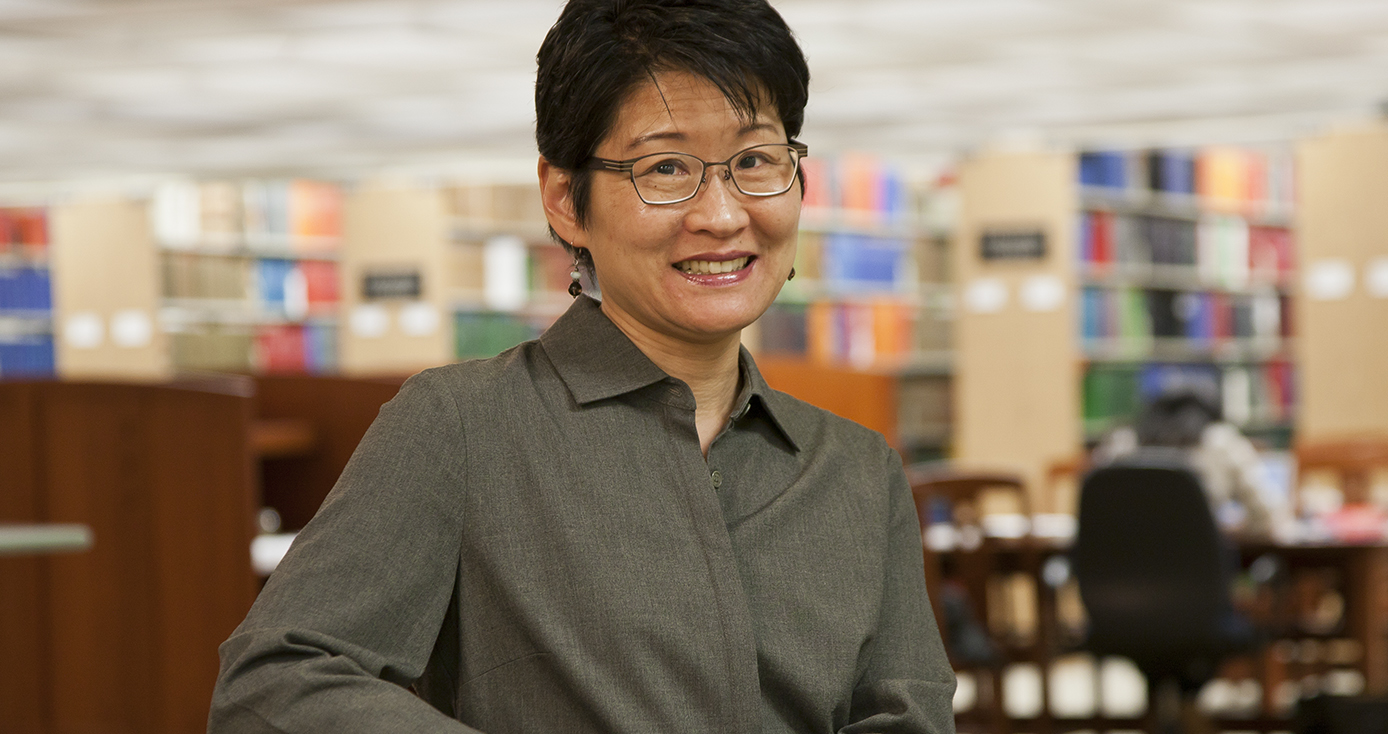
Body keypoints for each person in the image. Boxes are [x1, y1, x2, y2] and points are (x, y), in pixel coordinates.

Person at [208, 1, 956, 732]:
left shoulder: (857, 471)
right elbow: (275, 685)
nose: (723, 216)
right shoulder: (461, 427)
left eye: (756, 160)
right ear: (566, 200)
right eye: (666, 168)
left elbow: (908, 715)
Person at [1092, 385, 1277, 539]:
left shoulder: (1121, 445)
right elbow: (1268, 516)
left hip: (1122, 574)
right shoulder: (1220, 443)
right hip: (1201, 571)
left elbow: (1093, 517)